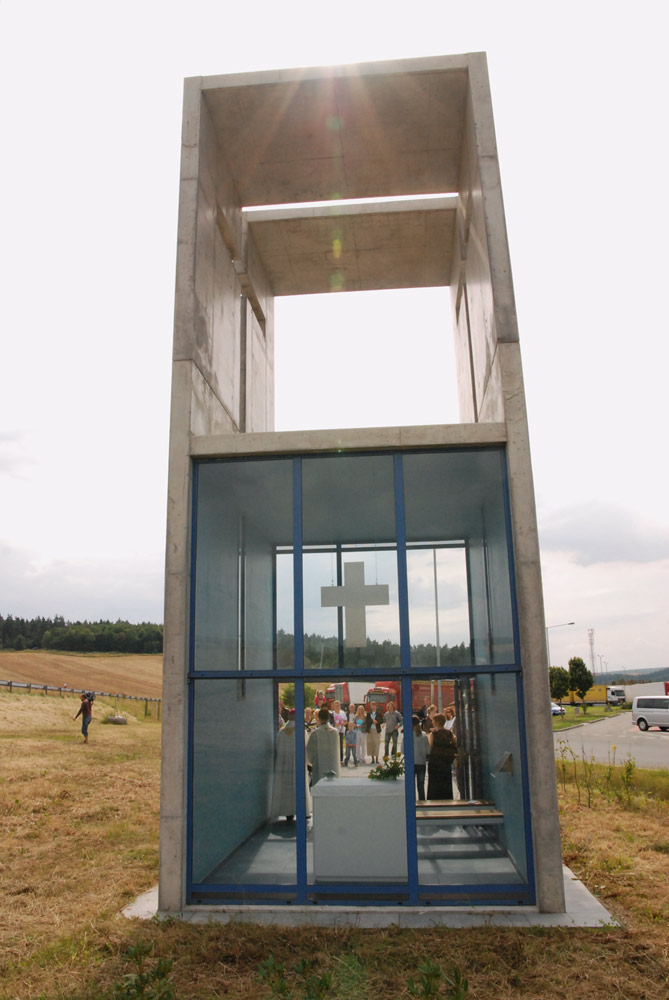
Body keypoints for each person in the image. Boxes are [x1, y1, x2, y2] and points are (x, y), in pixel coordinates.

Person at [270, 710, 312, 821]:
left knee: (286, 788)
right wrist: (309, 762)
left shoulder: (282, 732)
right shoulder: (301, 731)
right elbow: (307, 747)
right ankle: (303, 811)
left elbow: (278, 749)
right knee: (300, 786)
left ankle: (288, 812)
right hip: (298, 764)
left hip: (285, 765)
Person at [306, 707, 340, 785]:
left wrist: (312, 760)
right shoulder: (335, 732)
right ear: (328, 718)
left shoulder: (315, 733)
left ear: (318, 718)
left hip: (319, 765)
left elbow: (309, 749)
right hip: (333, 764)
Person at [427, 713, 457, 799]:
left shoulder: (433, 735)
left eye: (433, 721)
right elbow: (454, 744)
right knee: (446, 783)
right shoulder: (450, 733)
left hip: (435, 762)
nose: (432, 722)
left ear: (436, 722)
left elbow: (430, 747)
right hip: (445, 762)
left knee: (434, 784)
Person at [403, 715, 430, 800]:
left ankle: (412, 800)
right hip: (421, 762)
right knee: (421, 784)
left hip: (411, 762)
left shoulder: (407, 735)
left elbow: (403, 750)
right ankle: (422, 800)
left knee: (411, 785)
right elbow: (428, 750)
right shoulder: (423, 735)